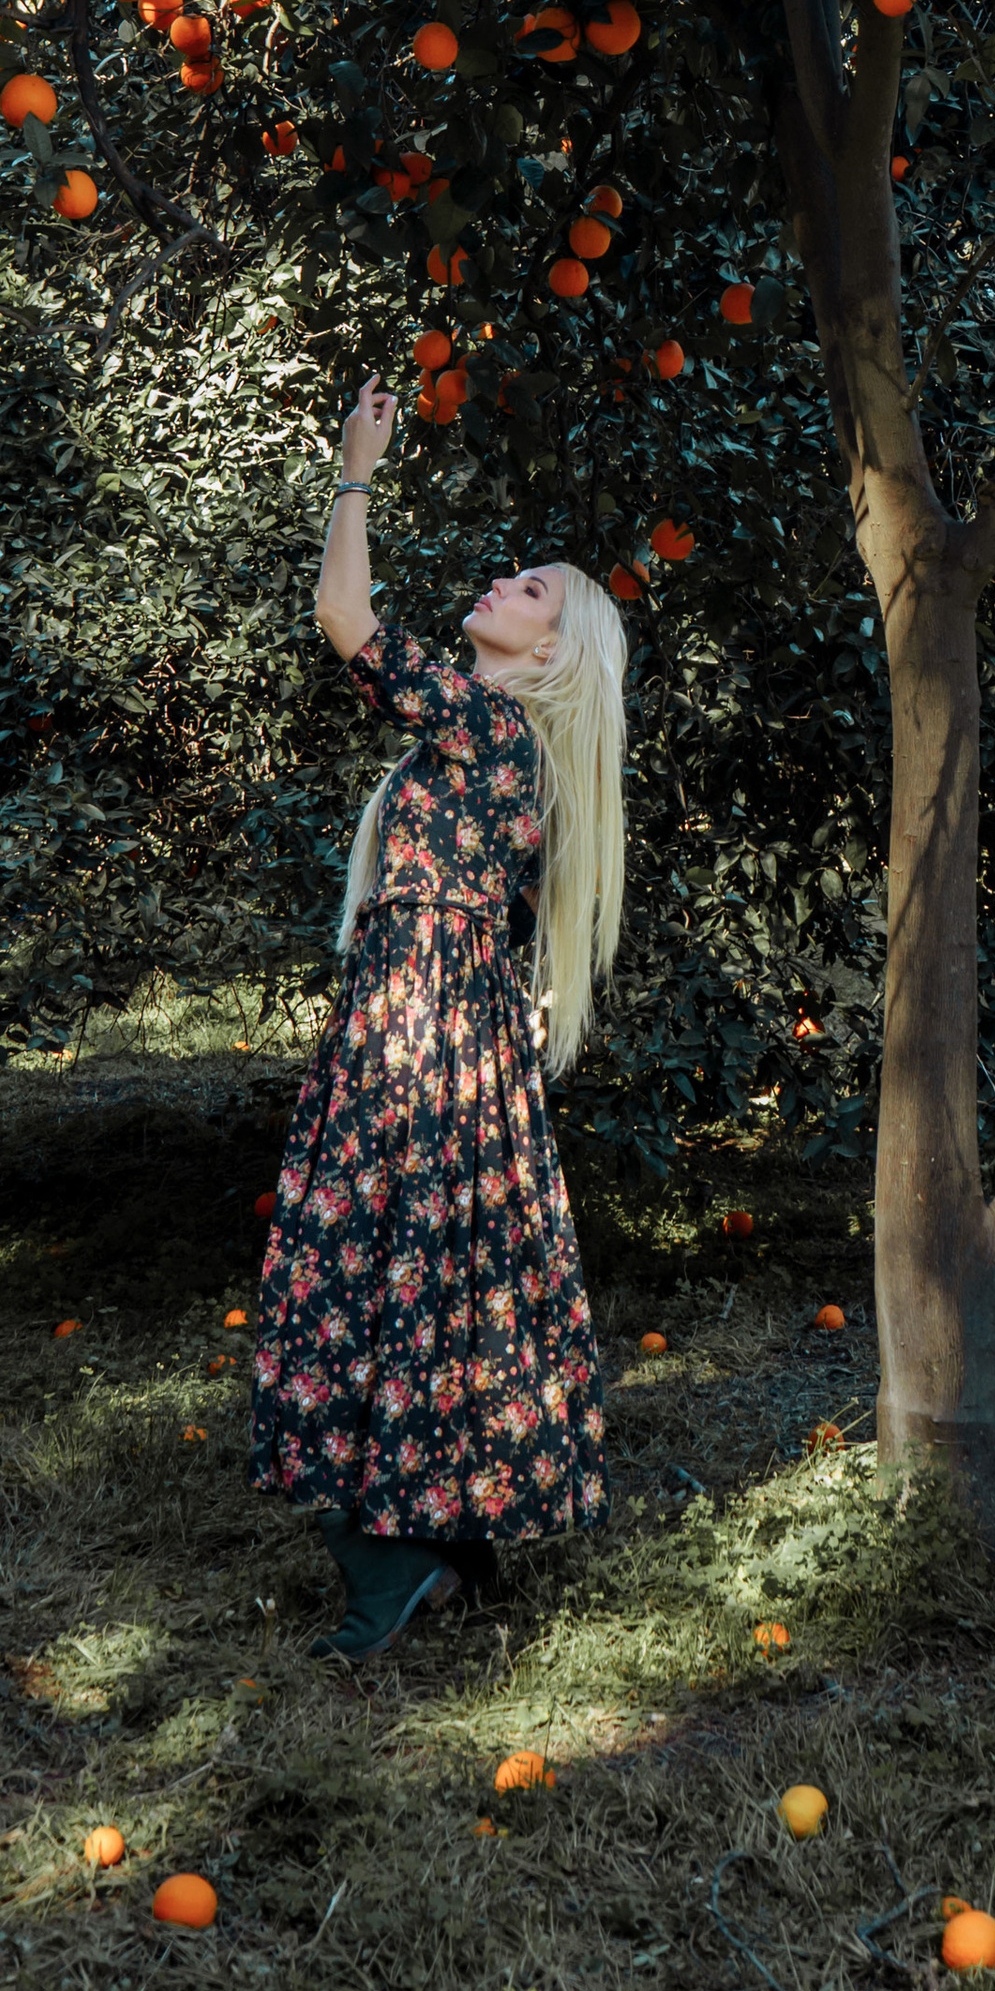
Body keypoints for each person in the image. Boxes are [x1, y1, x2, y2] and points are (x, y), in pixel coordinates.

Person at [248, 376, 629, 1660]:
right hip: (440, 1016)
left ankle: (394, 1554)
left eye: (532, 592)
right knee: (443, 1263)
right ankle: (445, 1523)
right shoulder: (498, 742)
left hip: (416, 1020)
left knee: (371, 1251)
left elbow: (342, 617)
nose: (504, 586)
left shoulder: (485, 725)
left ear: (549, 651)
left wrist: (355, 468)